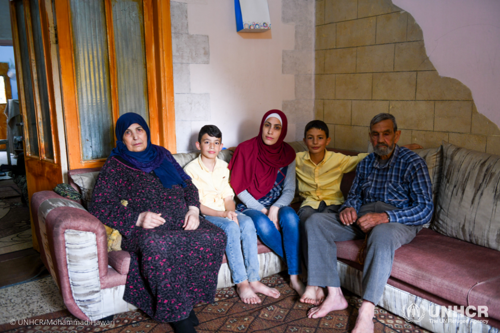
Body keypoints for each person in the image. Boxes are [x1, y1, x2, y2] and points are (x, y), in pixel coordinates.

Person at [89, 113, 227, 333]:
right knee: (158, 245)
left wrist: (192, 209)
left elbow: (187, 184)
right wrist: (138, 218)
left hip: (181, 220)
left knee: (216, 235)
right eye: (128, 132)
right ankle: (179, 314)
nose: (135, 136)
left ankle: (185, 300)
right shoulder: (116, 164)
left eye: (139, 130)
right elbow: (99, 204)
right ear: (121, 138)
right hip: (146, 228)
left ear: (146, 131)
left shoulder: (161, 154)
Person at [302, 113, 433, 333]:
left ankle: (366, 311)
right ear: (370, 136)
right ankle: (334, 295)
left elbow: (425, 209)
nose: (380, 139)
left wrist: (385, 218)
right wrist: (349, 208)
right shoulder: (367, 163)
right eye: (375, 134)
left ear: (396, 135)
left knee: (380, 234)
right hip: (363, 215)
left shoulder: (413, 163)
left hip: (396, 220)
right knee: (315, 221)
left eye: (386, 133)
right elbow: (354, 196)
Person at [184, 125, 280, 304]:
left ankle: (254, 279)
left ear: (221, 146)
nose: (212, 147)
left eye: (216, 143)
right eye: (207, 142)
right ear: (198, 145)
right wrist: (223, 215)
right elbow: (196, 205)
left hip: (224, 210)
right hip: (208, 214)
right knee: (231, 228)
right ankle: (242, 283)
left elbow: (229, 197)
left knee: (248, 223)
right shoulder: (190, 170)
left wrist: (230, 211)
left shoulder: (224, 166)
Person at [228, 110, 305, 295]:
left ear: (282, 131)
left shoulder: (288, 154)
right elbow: (239, 189)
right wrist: (263, 209)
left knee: (291, 218)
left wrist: (276, 208)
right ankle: (300, 266)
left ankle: (294, 278)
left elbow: (288, 190)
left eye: (277, 128)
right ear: (261, 126)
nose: (270, 132)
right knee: (262, 223)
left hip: (278, 203)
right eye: (267, 125)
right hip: (250, 206)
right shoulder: (246, 149)